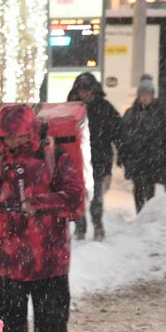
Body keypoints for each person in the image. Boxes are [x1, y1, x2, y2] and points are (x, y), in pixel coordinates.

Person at [0, 104, 86, 332]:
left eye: (17, 136)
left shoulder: (55, 157)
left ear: (30, 131)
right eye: (7, 136)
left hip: (49, 258)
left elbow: (75, 197)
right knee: (11, 319)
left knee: (52, 319)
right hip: (9, 257)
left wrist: (38, 203)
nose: (11, 142)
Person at [67, 72, 121, 241]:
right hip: (75, 161)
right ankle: (80, 227)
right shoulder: (70, 109)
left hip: (98, 159)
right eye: (82, 90)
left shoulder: (104, 108)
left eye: (88, 90)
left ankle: (97, 224)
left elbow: (118, 132)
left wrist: (124, 153)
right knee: (77, 196)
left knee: (96, 197)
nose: (85, 93)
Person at [118, 74, 166, 212]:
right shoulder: (131, 113)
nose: (145, 97)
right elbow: (124, 135)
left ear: (152, 95)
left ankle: (149, 212)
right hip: (136, 157)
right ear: (138, 95)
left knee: (150, 186)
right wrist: (123, 154)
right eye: (143, 94)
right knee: (138, 186)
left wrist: (165, 152)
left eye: (148, 94)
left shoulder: (158, 112)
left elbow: (165, 134)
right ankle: (140, 212)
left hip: (153, 156)